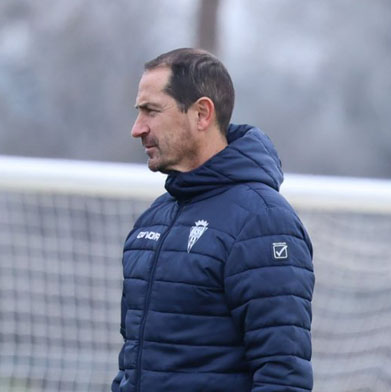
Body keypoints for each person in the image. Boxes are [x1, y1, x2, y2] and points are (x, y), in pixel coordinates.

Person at [111, 48, 315, 392]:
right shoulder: (152, 221)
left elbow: (282, 376)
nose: (137, 128)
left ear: (202, 114)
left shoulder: (263, 222)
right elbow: (132, 365)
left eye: (151, 111)